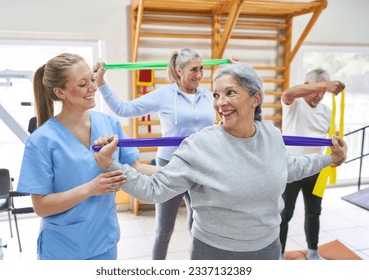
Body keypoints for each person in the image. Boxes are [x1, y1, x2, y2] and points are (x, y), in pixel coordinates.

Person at [93, 62, 347, 260]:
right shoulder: (199, 145)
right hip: (215, 253)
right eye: (216, 94)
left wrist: (329, 160)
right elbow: (154, 190)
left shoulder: (271, 134)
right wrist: (111, 165)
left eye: (230, 93)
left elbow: (290, 168)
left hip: (268, 249)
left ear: (255, 99)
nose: (220, 103)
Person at [16, 53, 158, 260]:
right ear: (60, 92)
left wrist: (186, 172)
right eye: (83, 84)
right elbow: (41, 206)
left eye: (92, 80)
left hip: (104, 241)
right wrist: (91, 189)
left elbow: (136, 167)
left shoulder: (110, 124)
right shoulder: (41, 140)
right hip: (63, 248)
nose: (93, 88)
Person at [93, 48, 229, 259]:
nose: (200, 75)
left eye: (202, 69)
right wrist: (101, 83)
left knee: (199, 228)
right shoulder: (165, 95)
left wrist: (234, 69)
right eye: (194, 70)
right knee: (164, 230)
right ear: (179, 70)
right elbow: (124, 110)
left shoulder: (207, 95)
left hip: (203, 165)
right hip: (169, 165)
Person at [279, 68, 345, 260]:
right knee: (285, 214)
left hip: (316, 169)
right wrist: (324, 85)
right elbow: (288, 93)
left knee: (314, 212)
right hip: (291, 168)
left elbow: (333, 138)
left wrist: (337, 155)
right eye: (317, 89)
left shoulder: (326, 111)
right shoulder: (294, 103)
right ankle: (279, 255)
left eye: (324, 92)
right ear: (307, 86)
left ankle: (313, 252)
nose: (320, 95)